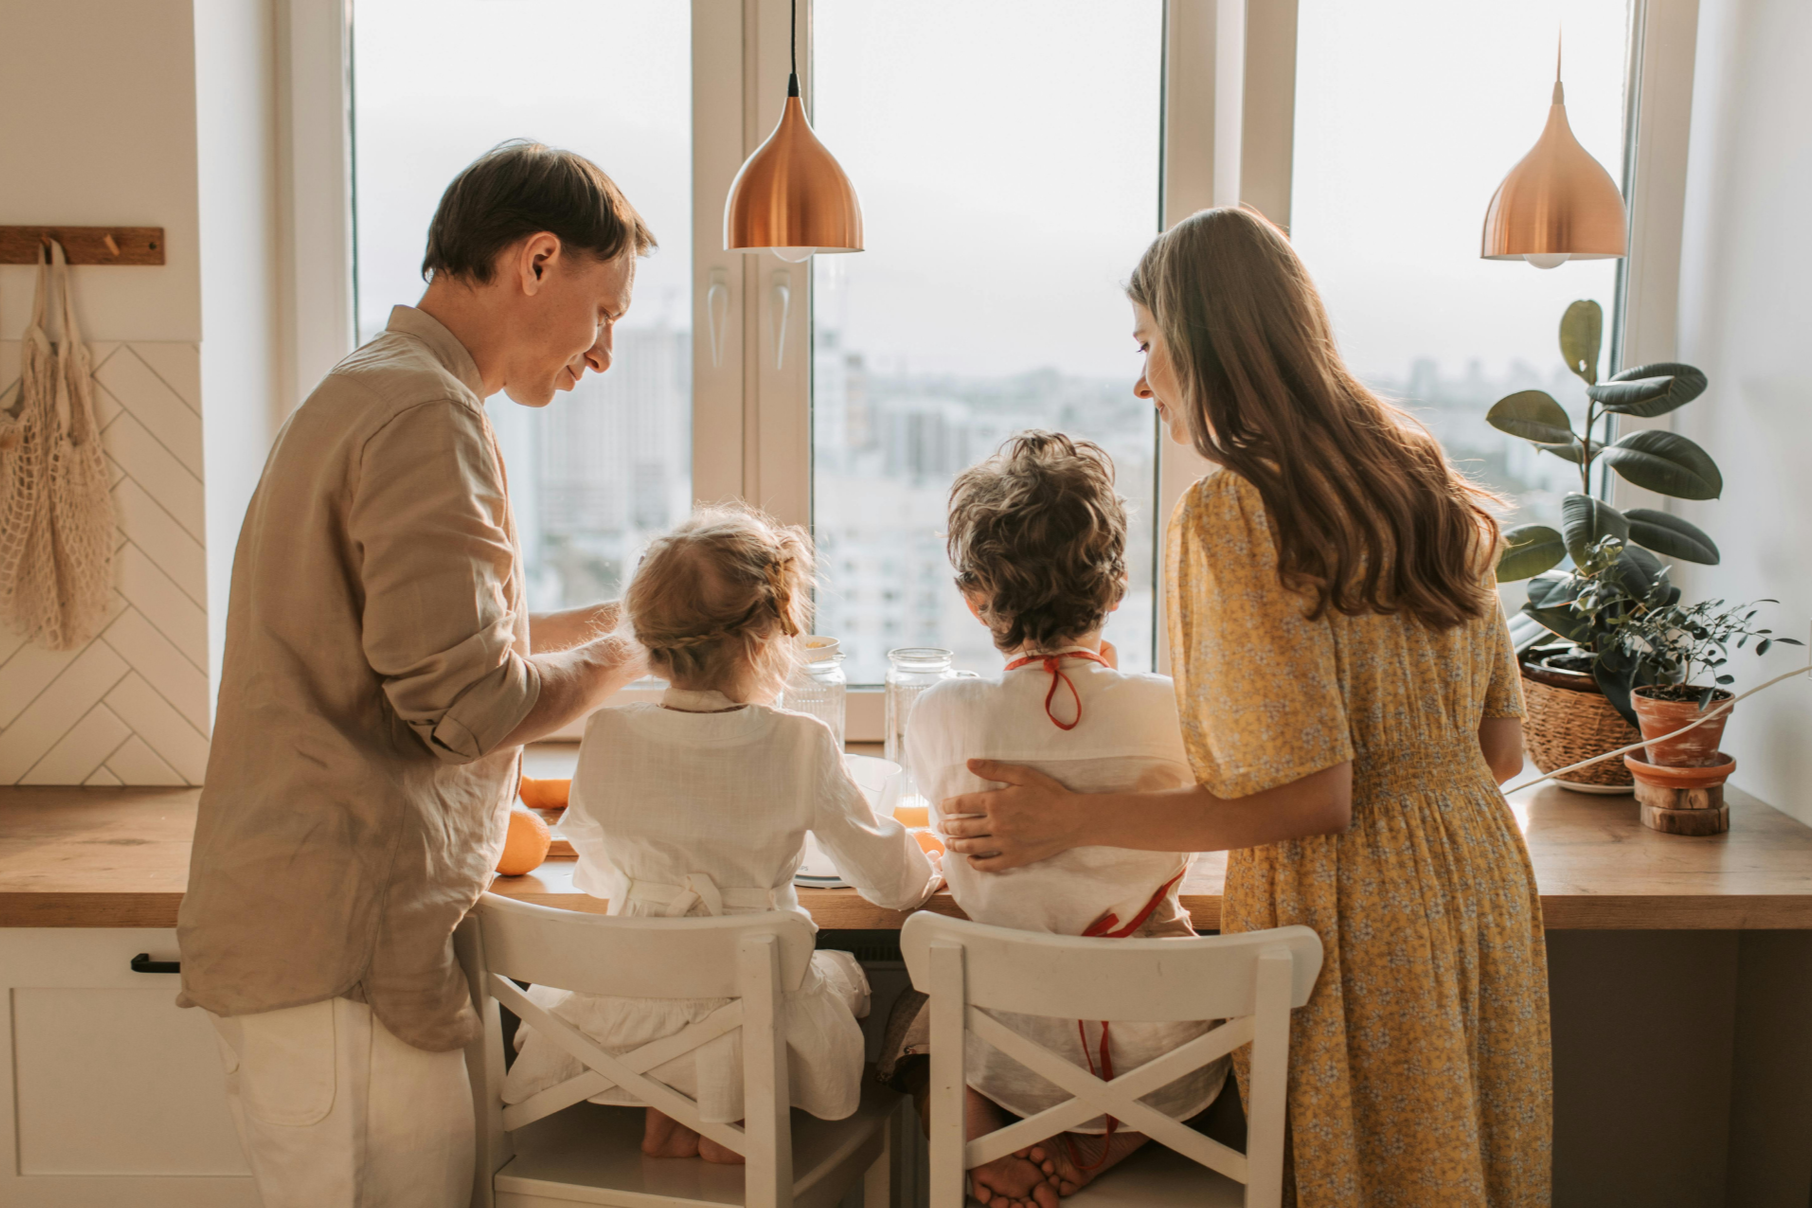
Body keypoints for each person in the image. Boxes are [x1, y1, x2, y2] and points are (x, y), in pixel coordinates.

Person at [938, 207, 1547, 1207]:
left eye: (1148, 345)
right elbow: (1500, 749)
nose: (1143, 381)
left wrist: (1071, 813)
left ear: (1206, 340)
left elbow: (1317, 795)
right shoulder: (1425, 479)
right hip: (1479, 885)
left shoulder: (1233, 510)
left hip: (1352, 918)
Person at [177, 141, 655, 1208]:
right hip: (335, 949)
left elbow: (440, 638)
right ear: (538, 261)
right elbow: (469, 703)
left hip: (331, 938)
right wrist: (642, 646)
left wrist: (629, 618)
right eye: (607, 311)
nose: (604, 353)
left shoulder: (389, 388)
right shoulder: (423, 416)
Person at [504, 505, 941, 1163]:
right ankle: (727, 1135)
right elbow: (889, 880)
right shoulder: (800, 743)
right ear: (765, 640)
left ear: (648, 642)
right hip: (753, 1013)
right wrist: (927, 867)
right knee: (826, 980)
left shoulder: (607, 734)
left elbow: (595, 866)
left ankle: (672, 1117)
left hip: (630, 1016)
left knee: (675, 984)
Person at [893, 431, 1223, 1208]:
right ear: (1115, 593)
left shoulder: (943, 713)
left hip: (1010, 1053)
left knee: (915, 1026)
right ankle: (1108, 1145)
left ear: (976, 598)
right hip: (1158, 1054)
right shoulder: (1168, 709)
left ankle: (994, 1145)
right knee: (1207, 1038)